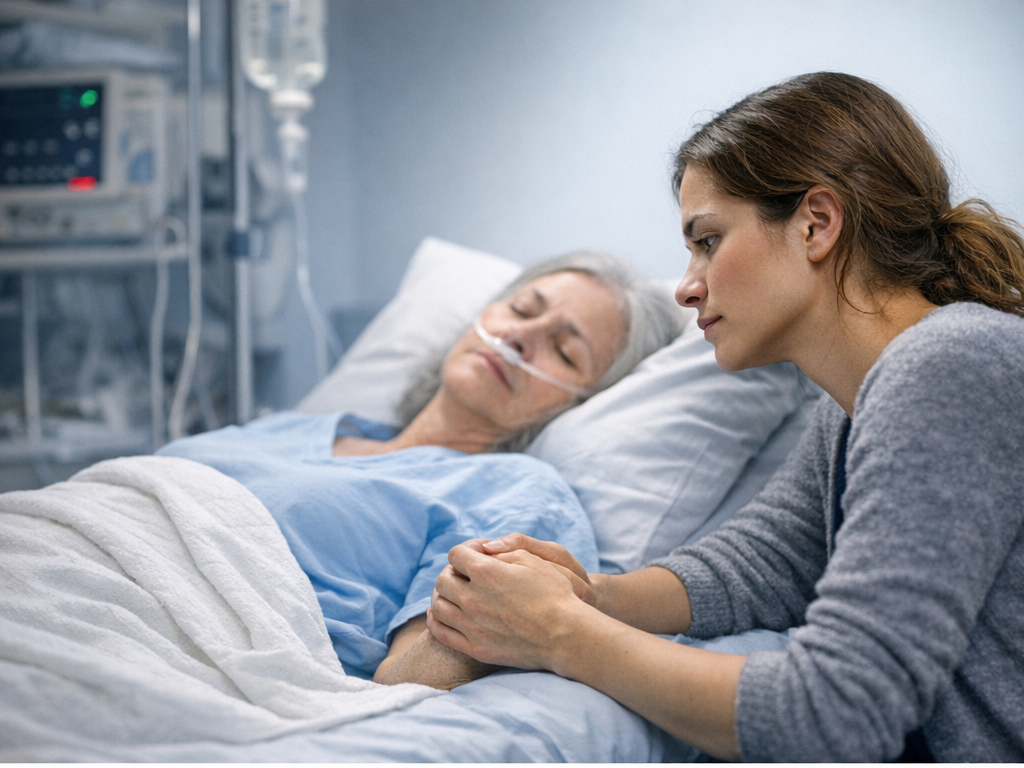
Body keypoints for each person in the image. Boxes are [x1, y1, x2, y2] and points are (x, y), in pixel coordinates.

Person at [427, 72, 1024, 761]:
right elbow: (765, 563)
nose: (686, 285)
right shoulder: (857, 403)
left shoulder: (952, 364)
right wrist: (590, 593)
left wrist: (564, 634)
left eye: (707, 240)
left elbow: (836, 713)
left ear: (817, 224)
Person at [157, 250, 683, 691]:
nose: (521, 338)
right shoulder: (296, 429)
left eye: (564, 352)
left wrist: (492, 608)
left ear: (583, 403)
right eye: (522, 308)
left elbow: (407, 685)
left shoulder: (513, 494)